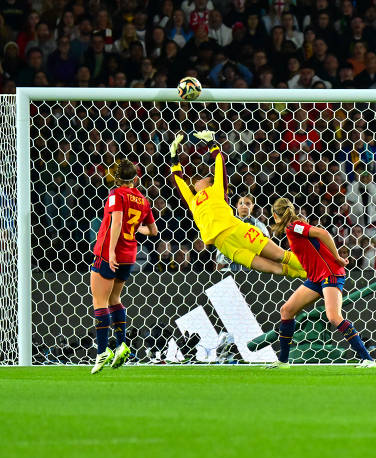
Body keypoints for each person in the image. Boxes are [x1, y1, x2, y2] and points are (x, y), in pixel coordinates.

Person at [168, 131, 305, 279]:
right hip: (225, 246)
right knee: (275, 269)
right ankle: (308, 276)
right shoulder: (192, 201)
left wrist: (211, 144)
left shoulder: (217, 189)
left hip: (237, 231)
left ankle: (323, 269)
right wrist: (173, 157)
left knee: (280, 256)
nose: (198, 179)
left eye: (204, 177)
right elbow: (179, 182)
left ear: (209, 183)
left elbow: (220, 162)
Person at [269, 197, 376, 369]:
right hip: (317, 277)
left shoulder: (293, 226)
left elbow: (323, 233)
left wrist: (337, 257)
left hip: (330, 273)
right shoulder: (294, 227)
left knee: (333, 317)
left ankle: (367, 359)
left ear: (275, 215)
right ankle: (283, 361)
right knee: (287, 310)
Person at [90, 160, 158, 374]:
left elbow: (116, 222)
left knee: (99, 300)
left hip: (108, 253)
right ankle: (122, 345)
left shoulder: (115, 195)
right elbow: (153, 231)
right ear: (135, 178)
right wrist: (136, 229)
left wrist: (110, 252)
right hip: (130, 255)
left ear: (115, 177)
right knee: (115, 299)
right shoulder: (142, 200)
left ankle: (102, 352)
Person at [215, 194, 269, 272]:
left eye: (247, 204)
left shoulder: (260, 227)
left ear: (253, 206)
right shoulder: (228, 226)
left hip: (254, 272)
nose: (244, 206)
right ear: (236, 205)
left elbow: (267, 253)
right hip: (231, 271)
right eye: (241, 203)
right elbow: (220, 259)